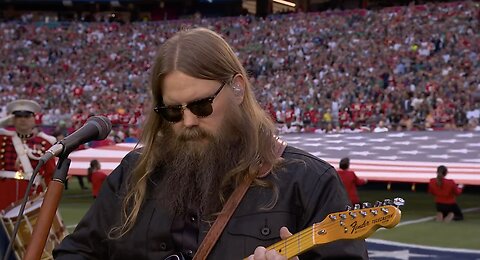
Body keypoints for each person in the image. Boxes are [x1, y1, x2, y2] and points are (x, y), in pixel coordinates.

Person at [53, 28, 368, 259]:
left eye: (201, 106)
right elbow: (76, 253)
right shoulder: (134, 173)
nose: (188, 121)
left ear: (237, 88)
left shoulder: (309, 182)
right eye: (172, 111)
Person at [0, 99, 57, 210]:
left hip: (32, 198)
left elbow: (50, 175)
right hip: (4, 196)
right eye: (18, 117)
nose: (22, 120)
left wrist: (47, 197)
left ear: (34, 119)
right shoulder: (3, 139)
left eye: (27, 116)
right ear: (12, 119)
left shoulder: (44, 142)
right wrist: (3, 122)